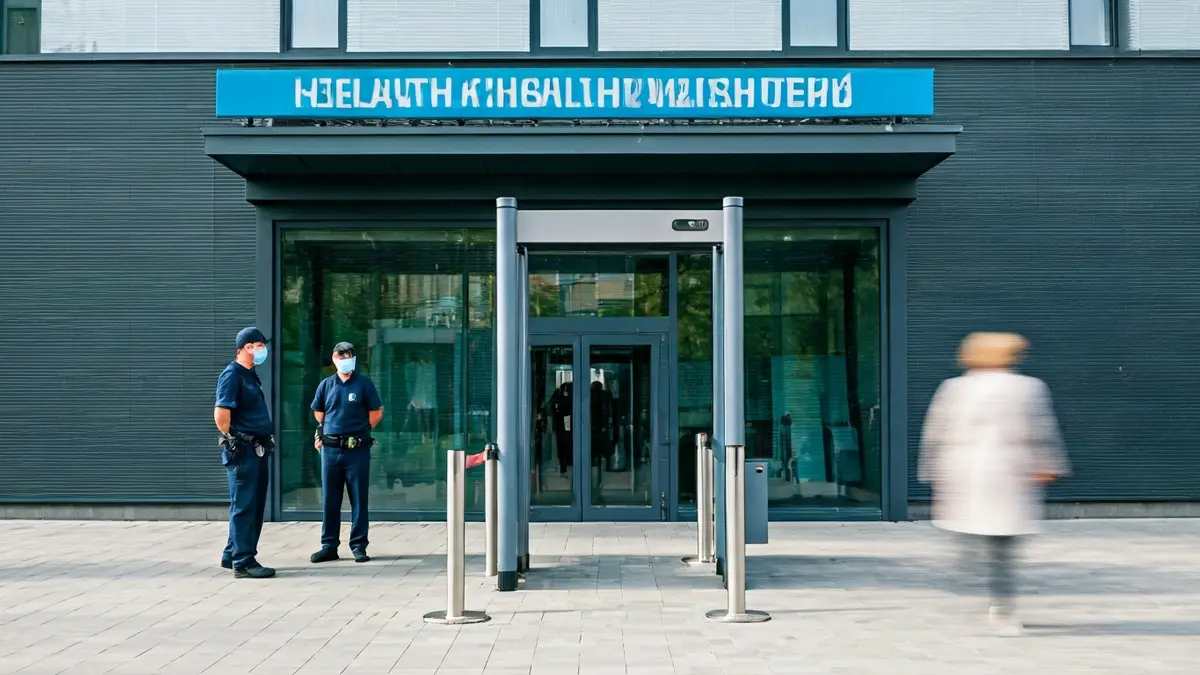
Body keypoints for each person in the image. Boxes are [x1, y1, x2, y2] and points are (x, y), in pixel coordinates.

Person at [918, 332, 1069, 636]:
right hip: (1006, 473)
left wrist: (933, 475)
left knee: (985, 541)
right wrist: (1049, 463)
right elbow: (1041, 431)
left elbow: (936, 433)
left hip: (971, 473)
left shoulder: (956, 388)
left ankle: (993, 597)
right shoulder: (1027, 388)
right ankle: (1002, 606)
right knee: (1002, 546)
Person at [311, 342, 384, 564]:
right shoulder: (326, 385)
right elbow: (319, 413)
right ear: (334, 358)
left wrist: (359, 432)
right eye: (342, 354)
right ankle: (329, 545)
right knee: (330, 500)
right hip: (331, 452)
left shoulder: (363, 384)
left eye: (349, 354)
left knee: (358, 499)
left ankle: (359, 545)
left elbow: (376, 413)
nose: (346, 358)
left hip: (357, 451)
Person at [214, 327, 276, 579]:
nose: (264, 350)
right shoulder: (232, 375)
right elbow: (221, 414)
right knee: (245, 506)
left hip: (257, 449)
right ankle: (244, 562)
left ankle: (232, 553)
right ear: (248, 347)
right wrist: (235, 439)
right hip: (245, 451)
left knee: (252, 503)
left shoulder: (250, 375)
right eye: (260, 345)